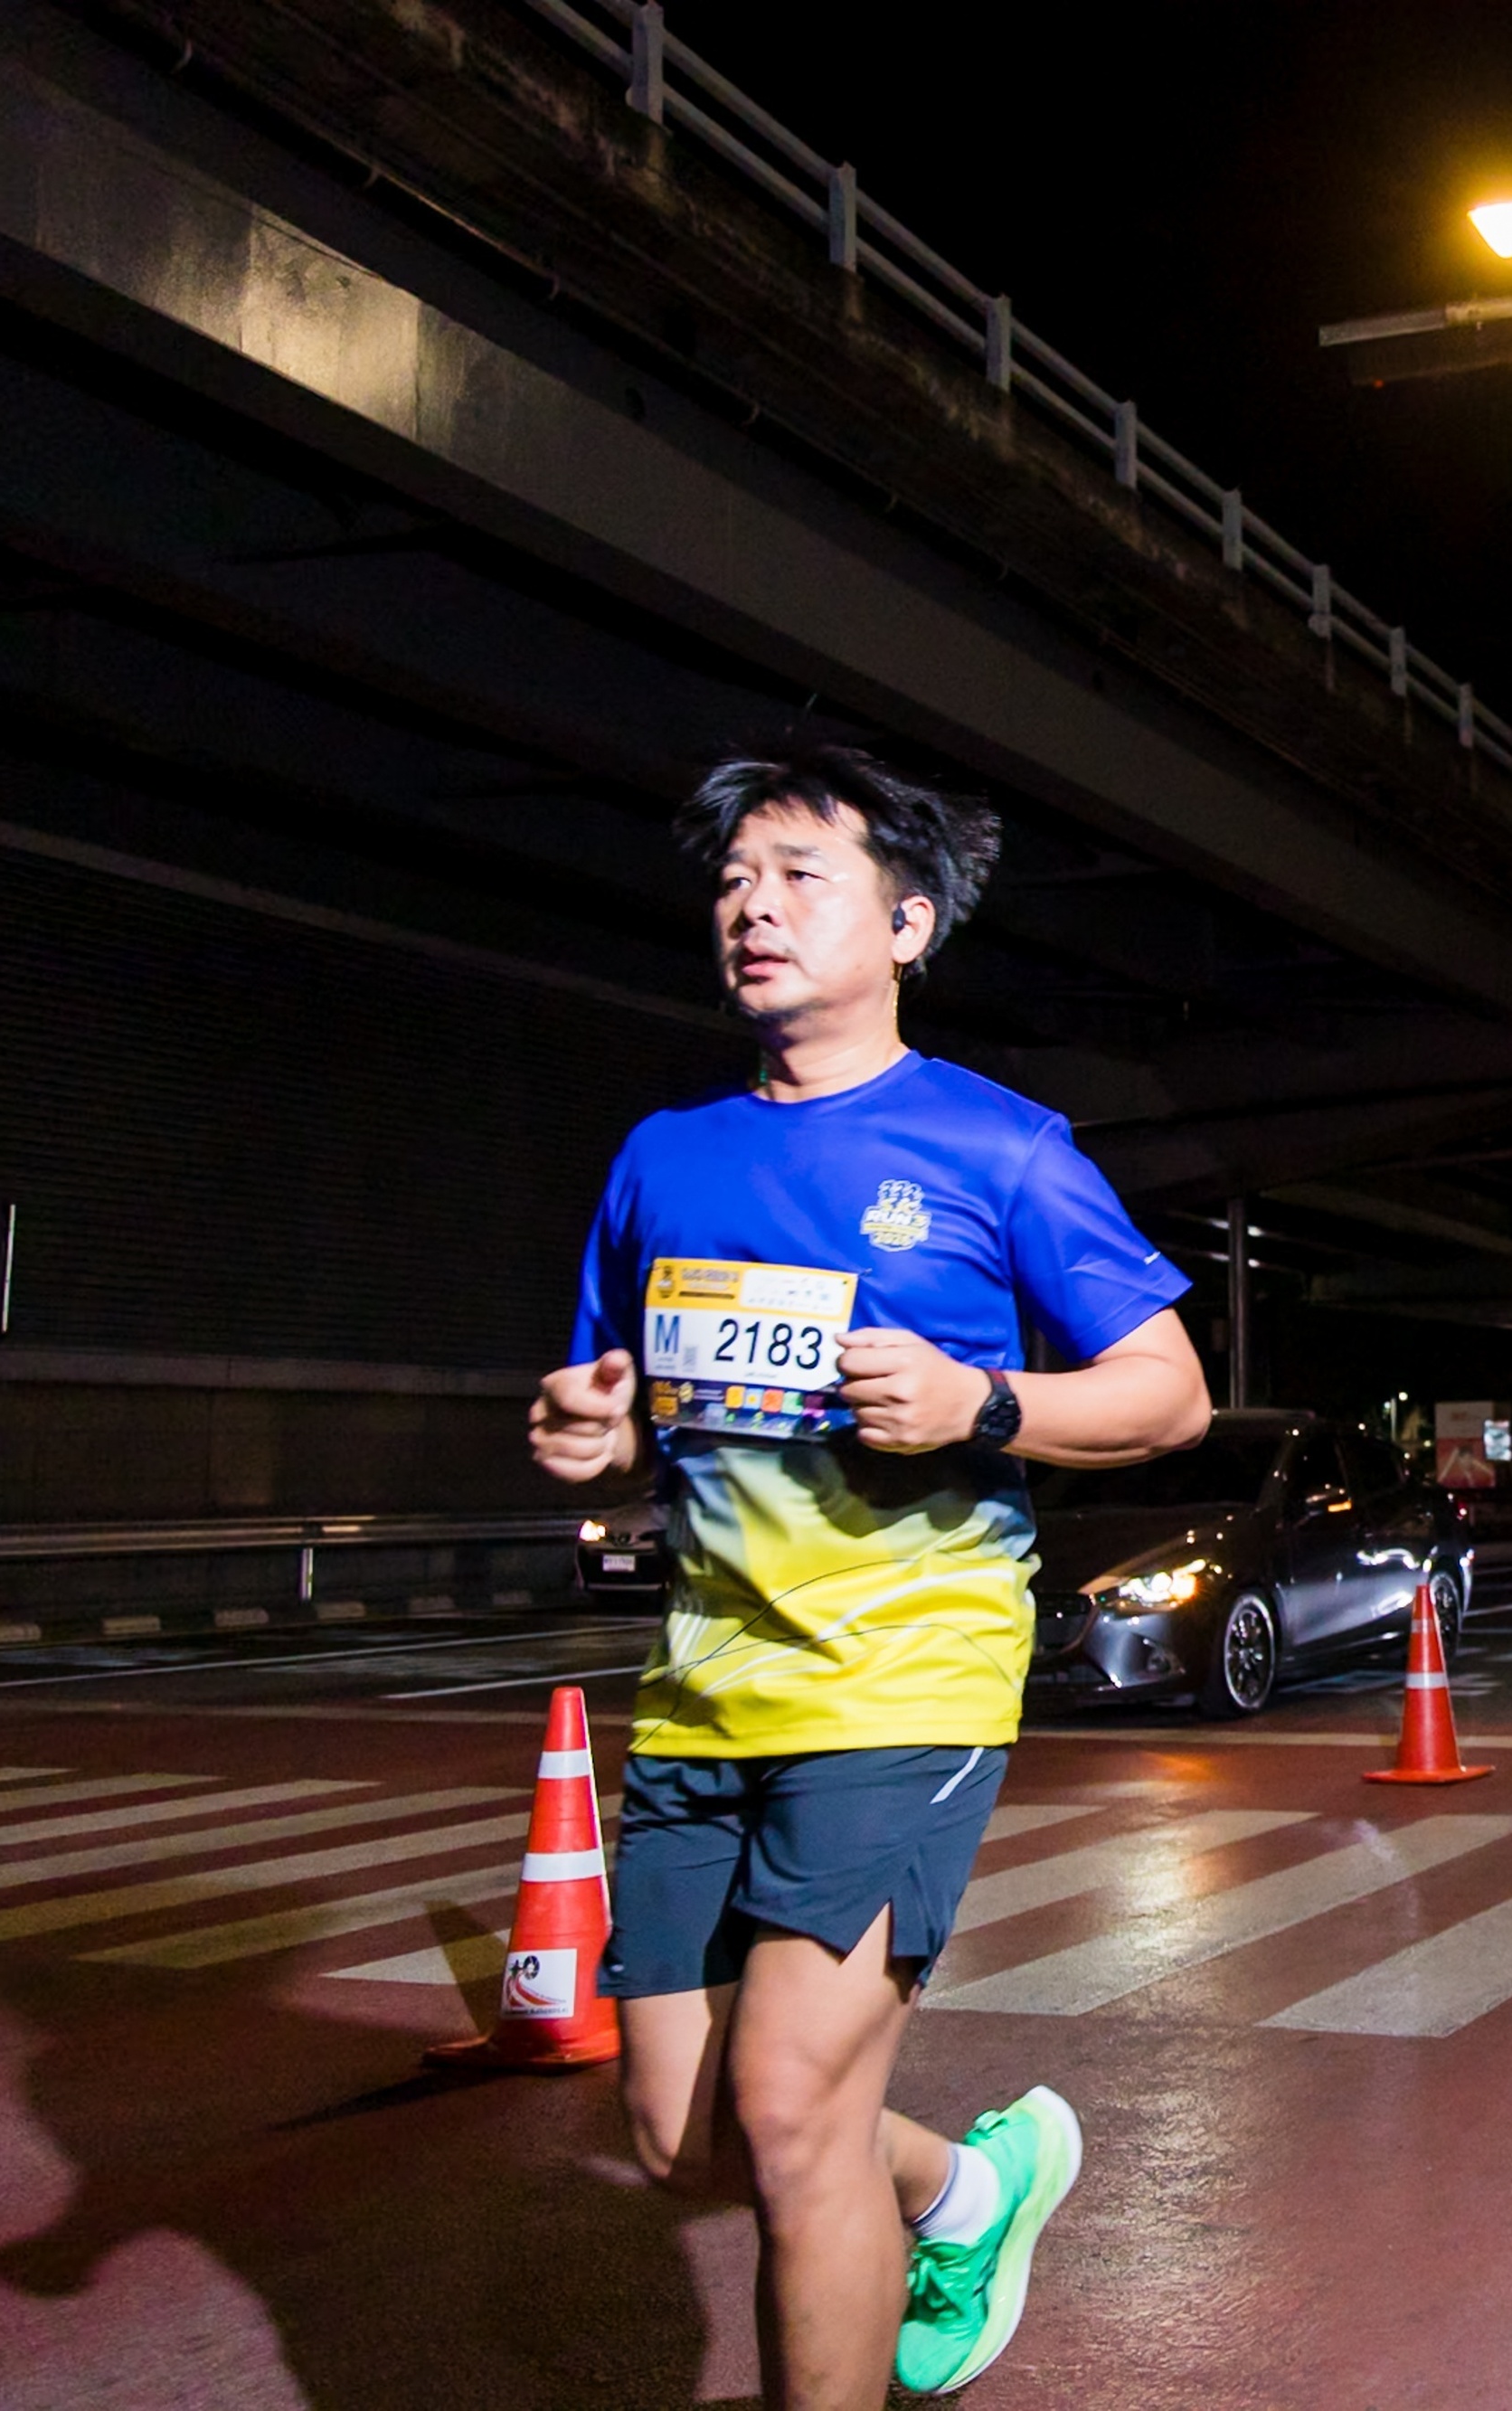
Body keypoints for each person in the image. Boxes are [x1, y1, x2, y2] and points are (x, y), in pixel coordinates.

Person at [527, 743, 1211, 2410]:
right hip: (707, 1689)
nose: (751, 908)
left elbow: (1170, 1393)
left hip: (908, 1674)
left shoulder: (1000, 1147)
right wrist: (585, 1429)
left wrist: (986, 1402)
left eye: (798, 876)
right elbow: (624, 1409)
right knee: (682, 2134)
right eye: (732, 881)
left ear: (908, 925)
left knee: (784, 2106)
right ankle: (968, 2189)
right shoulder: (662, 1155)